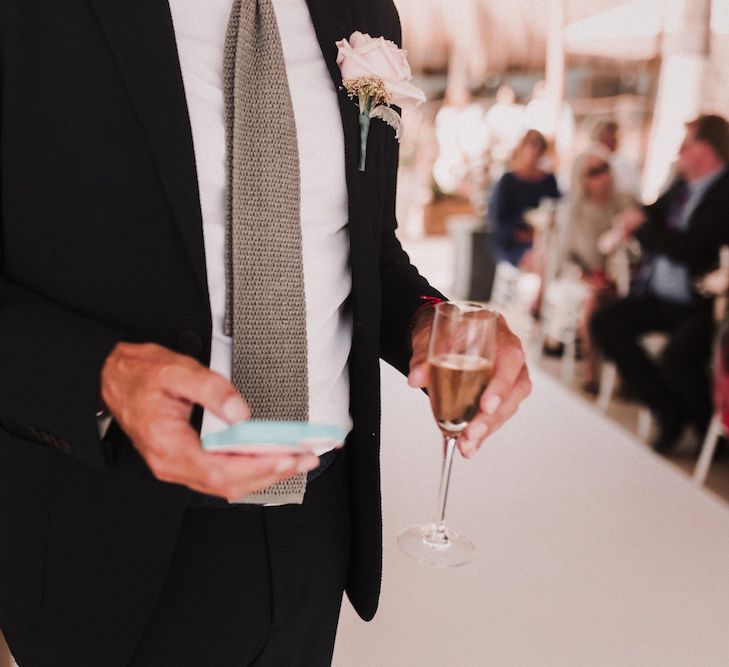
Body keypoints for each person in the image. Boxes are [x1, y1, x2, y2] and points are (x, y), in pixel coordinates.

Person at [0, 1, 531, 664]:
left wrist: (427, 316)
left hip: (317, 520)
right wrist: (100, 377)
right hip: (106, 531)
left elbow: (366, 245)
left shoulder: (365, 12)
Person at [591, 114, 729, 453]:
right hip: (660, 296)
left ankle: (706, 432)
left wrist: (644, 229)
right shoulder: (683, 185)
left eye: (687, 144)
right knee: (605, 322)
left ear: (707, 150)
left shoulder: (725, 194)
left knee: (677, 358)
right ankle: (668, 412)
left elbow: (692, 250)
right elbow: (654, 213)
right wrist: (634, 217)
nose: (679, 151)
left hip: (704, 306)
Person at [566, 151, 635, 392]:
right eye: (594, 173)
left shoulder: (626, 202)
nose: (602, 177)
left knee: (627, 305)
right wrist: (586, 277)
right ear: (583, 179)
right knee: (593, 304)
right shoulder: (576, 212)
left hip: (628, 278)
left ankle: (627, 374)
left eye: (604, 168)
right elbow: (568, 257)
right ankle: (590, 371)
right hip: (591, 279)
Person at [488, 129, 561, 268]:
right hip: (514, 243)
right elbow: (497, 221)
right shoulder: (508, 181)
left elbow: (557, 209)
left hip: (545, 240)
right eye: (530, 145)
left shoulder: (549, 180)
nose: (534, 150)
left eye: (537, 146)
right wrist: (523, 234)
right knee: (542, 260)